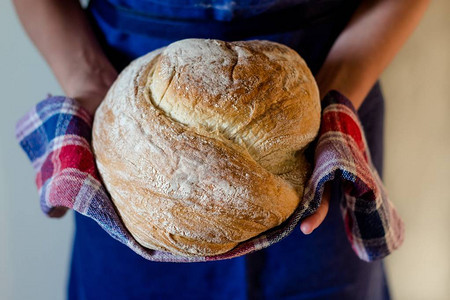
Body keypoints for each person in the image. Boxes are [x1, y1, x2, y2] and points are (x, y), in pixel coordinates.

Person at [13, 0, 429, 299]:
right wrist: (89, 80)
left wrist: (338, 87)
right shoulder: (120, 126)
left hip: (318, 87)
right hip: (127, 109)